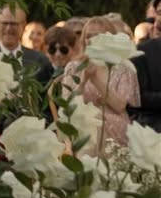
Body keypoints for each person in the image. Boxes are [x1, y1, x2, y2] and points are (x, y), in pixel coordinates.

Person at [59, 14, 140, 154]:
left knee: (98, 123)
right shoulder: (73, 67)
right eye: (88, 36)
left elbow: (119, 106)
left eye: (98, 36)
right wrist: (83, 81)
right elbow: (67, 104)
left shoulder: (123, 68)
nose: (92, 40)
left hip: (114, 124)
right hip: (82, 124)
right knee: (91, 124)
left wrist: (95, 79)